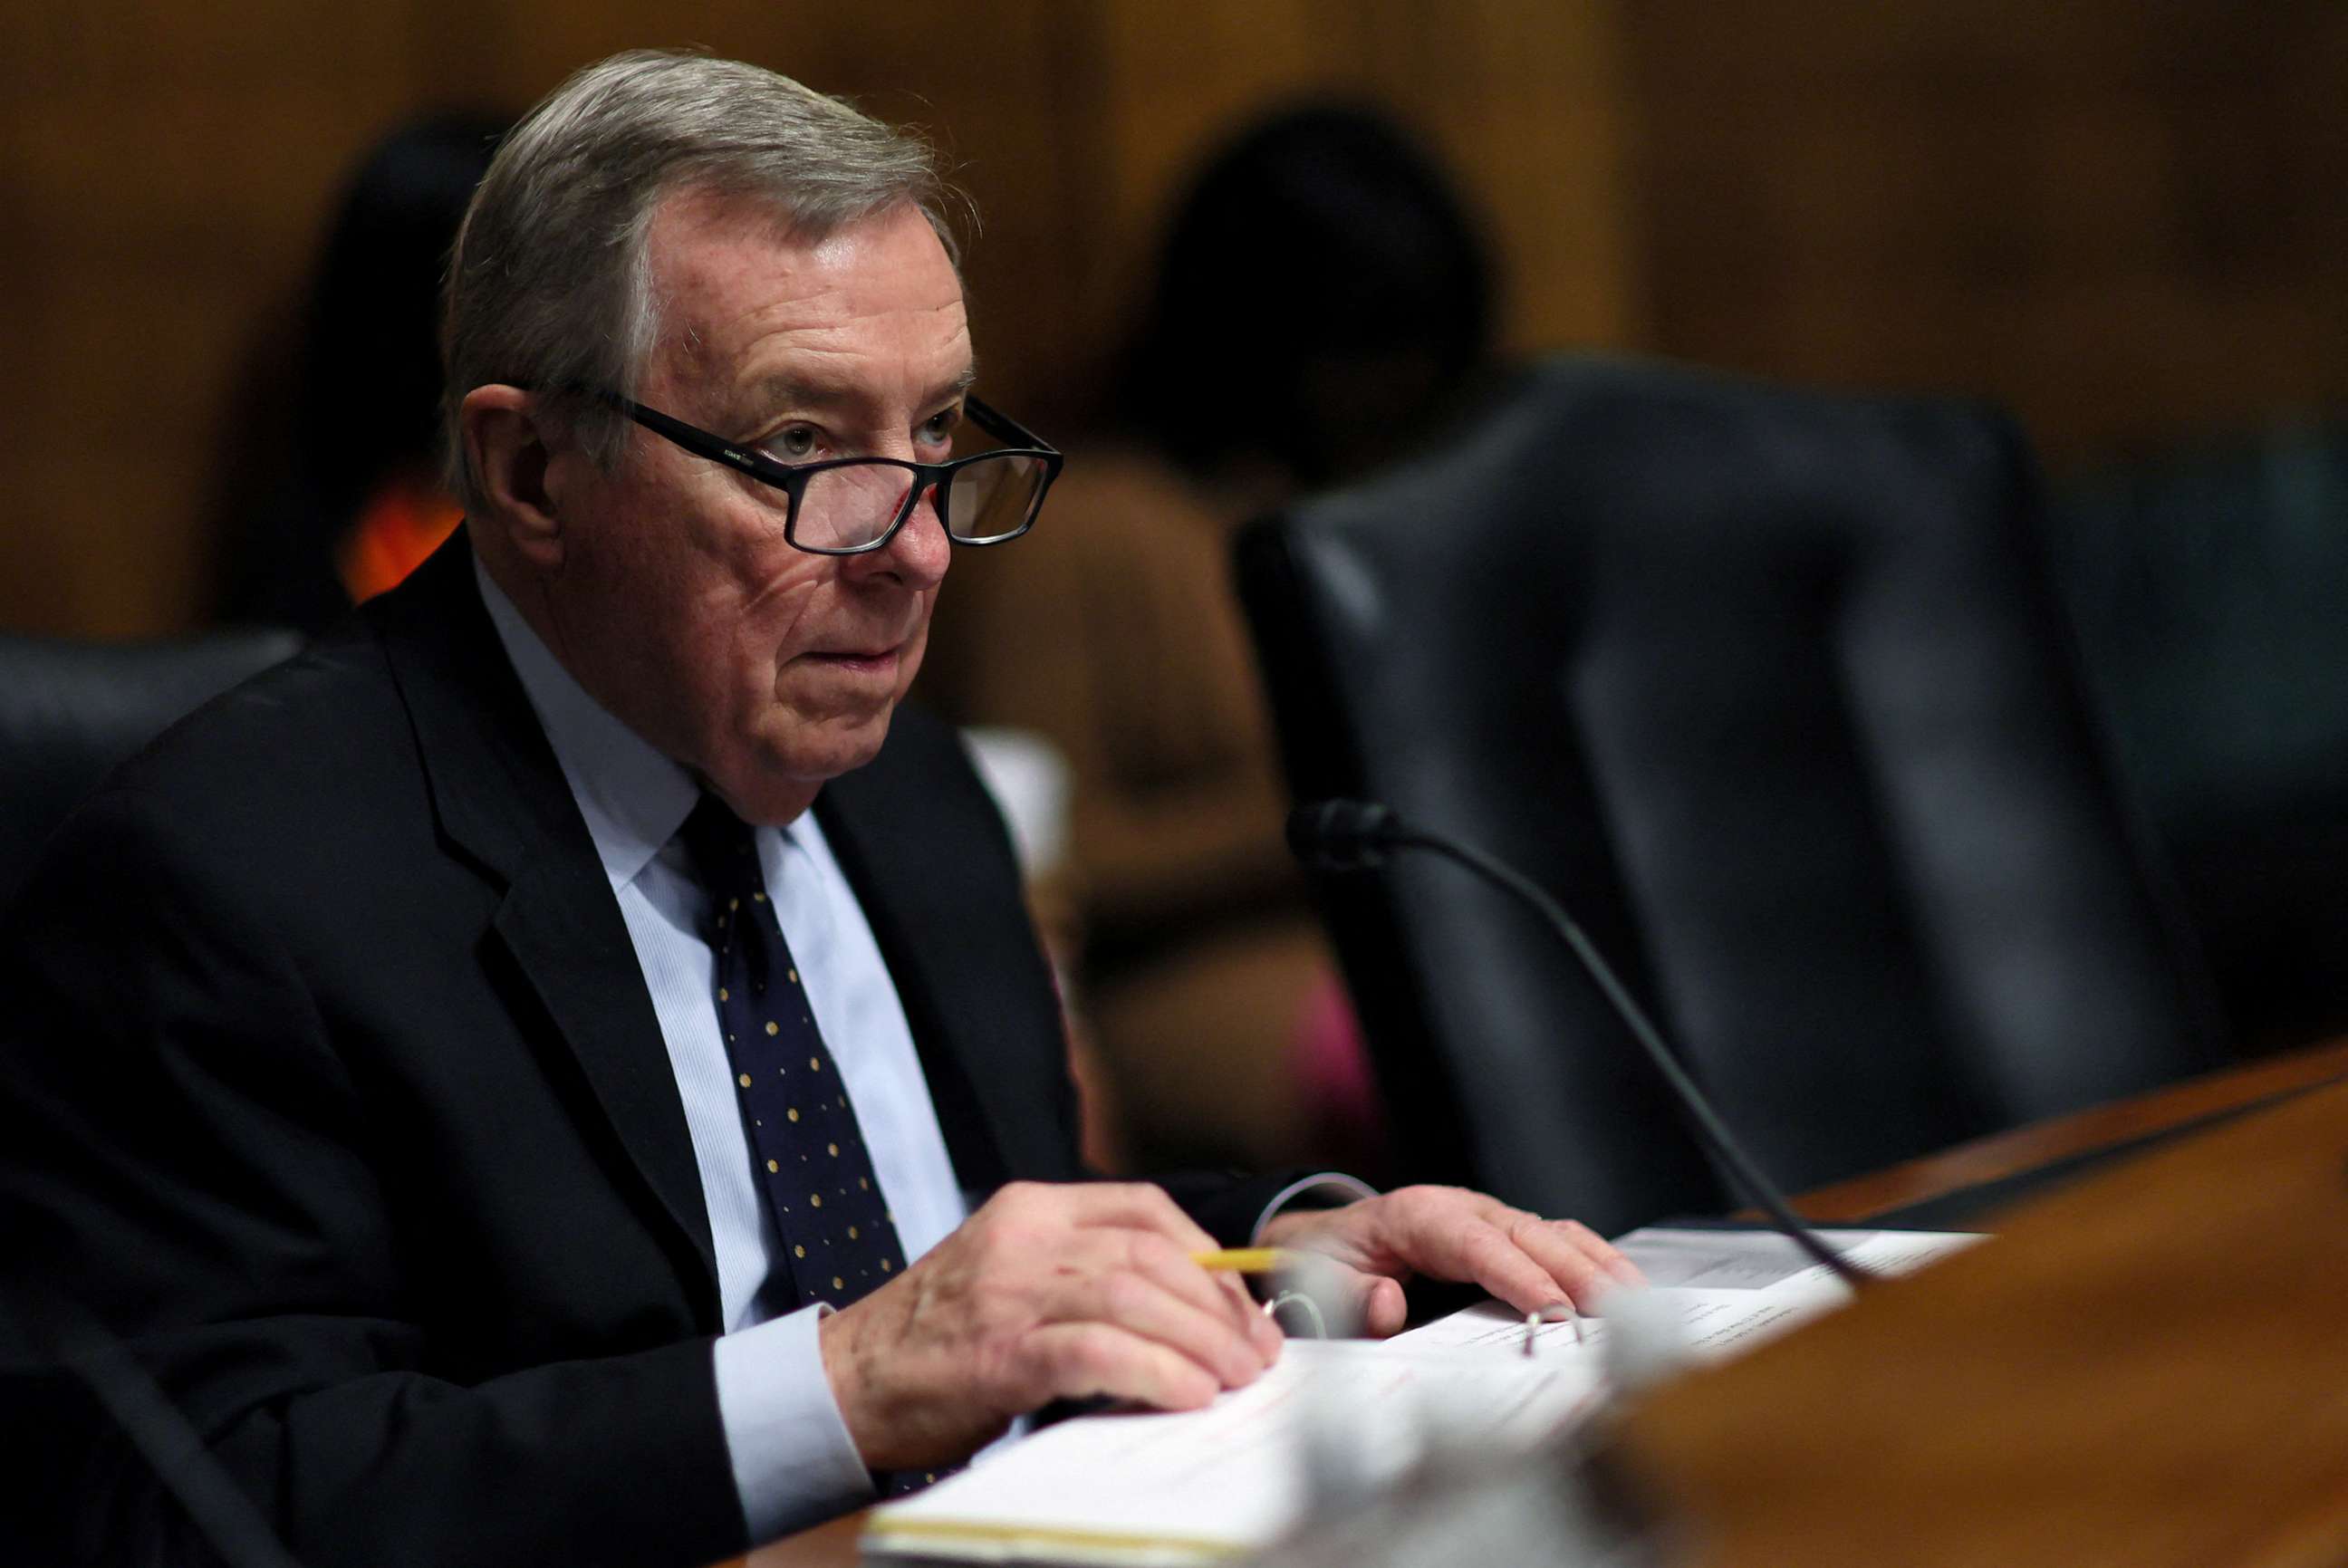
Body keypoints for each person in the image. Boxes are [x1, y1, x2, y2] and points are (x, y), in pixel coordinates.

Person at [0, 52, 1639, 1568]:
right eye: (803, 448)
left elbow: (988, 1267)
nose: (917, 545)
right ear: (532, 477)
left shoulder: (912, 783)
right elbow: (199, 1498)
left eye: (934, 435)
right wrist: (849, 1384)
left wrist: (1298, 1248)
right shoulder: (228, 880)